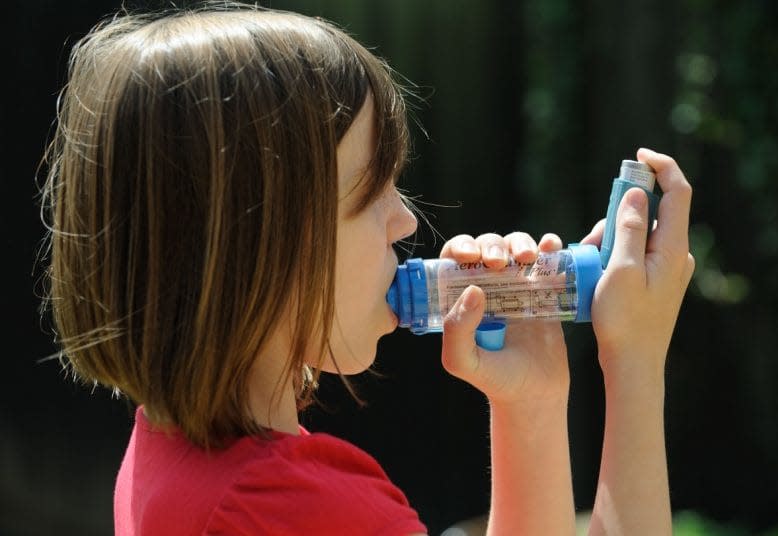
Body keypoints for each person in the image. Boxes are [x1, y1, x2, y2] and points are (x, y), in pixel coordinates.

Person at [40, 2, 694, 535]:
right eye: (371, 191)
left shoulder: (174, 454)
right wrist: (633, 359)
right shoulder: (292, 508)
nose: (406, 222)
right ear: (258, 243)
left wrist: (532, 402)